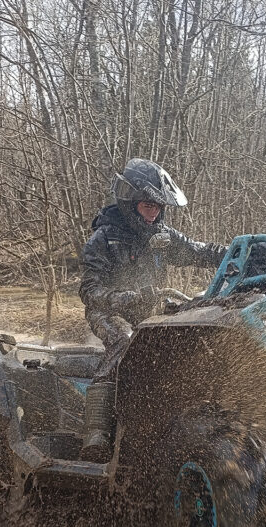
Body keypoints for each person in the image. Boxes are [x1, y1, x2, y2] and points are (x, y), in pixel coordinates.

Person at [78, 158, 225, 461]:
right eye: (148, 206)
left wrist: (236, 253)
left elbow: (199, 252)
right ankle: (96, 434)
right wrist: (128, 297)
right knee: (124, 341)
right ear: (130, 203)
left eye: (158, 207)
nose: (154, 213)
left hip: (152, 311)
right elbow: (89, 292)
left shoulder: (163, 237)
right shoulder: (103, 239)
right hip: (109, 313)